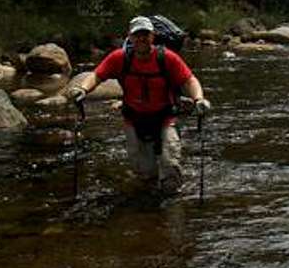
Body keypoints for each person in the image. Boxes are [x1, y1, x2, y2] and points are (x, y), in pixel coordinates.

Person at [66, 16, 210, 194]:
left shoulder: (167, 58)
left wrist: (199, 99)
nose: (142, 38)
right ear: (130, 37)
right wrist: (82, 89)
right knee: (144, 171)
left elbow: (189, 80)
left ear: (153, 36)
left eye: (146, 34)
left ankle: (172, 208)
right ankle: (150, 205)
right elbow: (97, 75)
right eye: (137, 34)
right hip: (133, 119)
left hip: (165, 118)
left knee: (170, 164)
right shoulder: (119, 58)